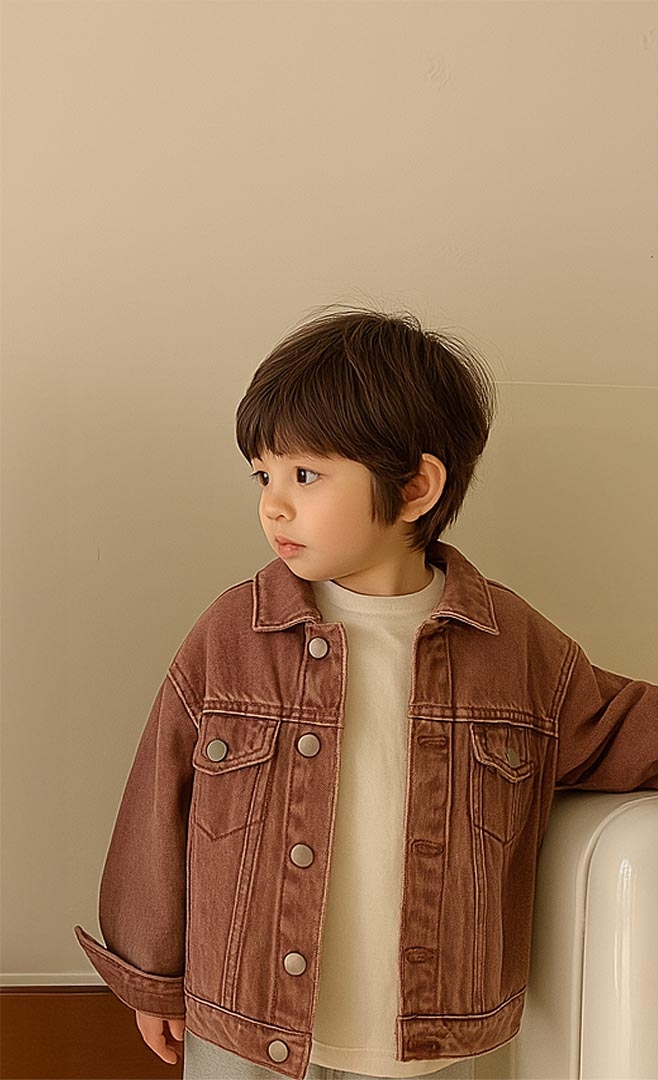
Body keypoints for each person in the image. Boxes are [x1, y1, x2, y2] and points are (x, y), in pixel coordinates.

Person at [75, 308, 658, 1080]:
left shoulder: (514, 649)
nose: (273, 505)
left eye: (305, 476)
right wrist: (151, 974)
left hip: (427, 1039)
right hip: (245, 1021)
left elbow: (620, 729)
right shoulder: (234, 633)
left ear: (415, 487)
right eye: (263, 475)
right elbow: (157, 800)